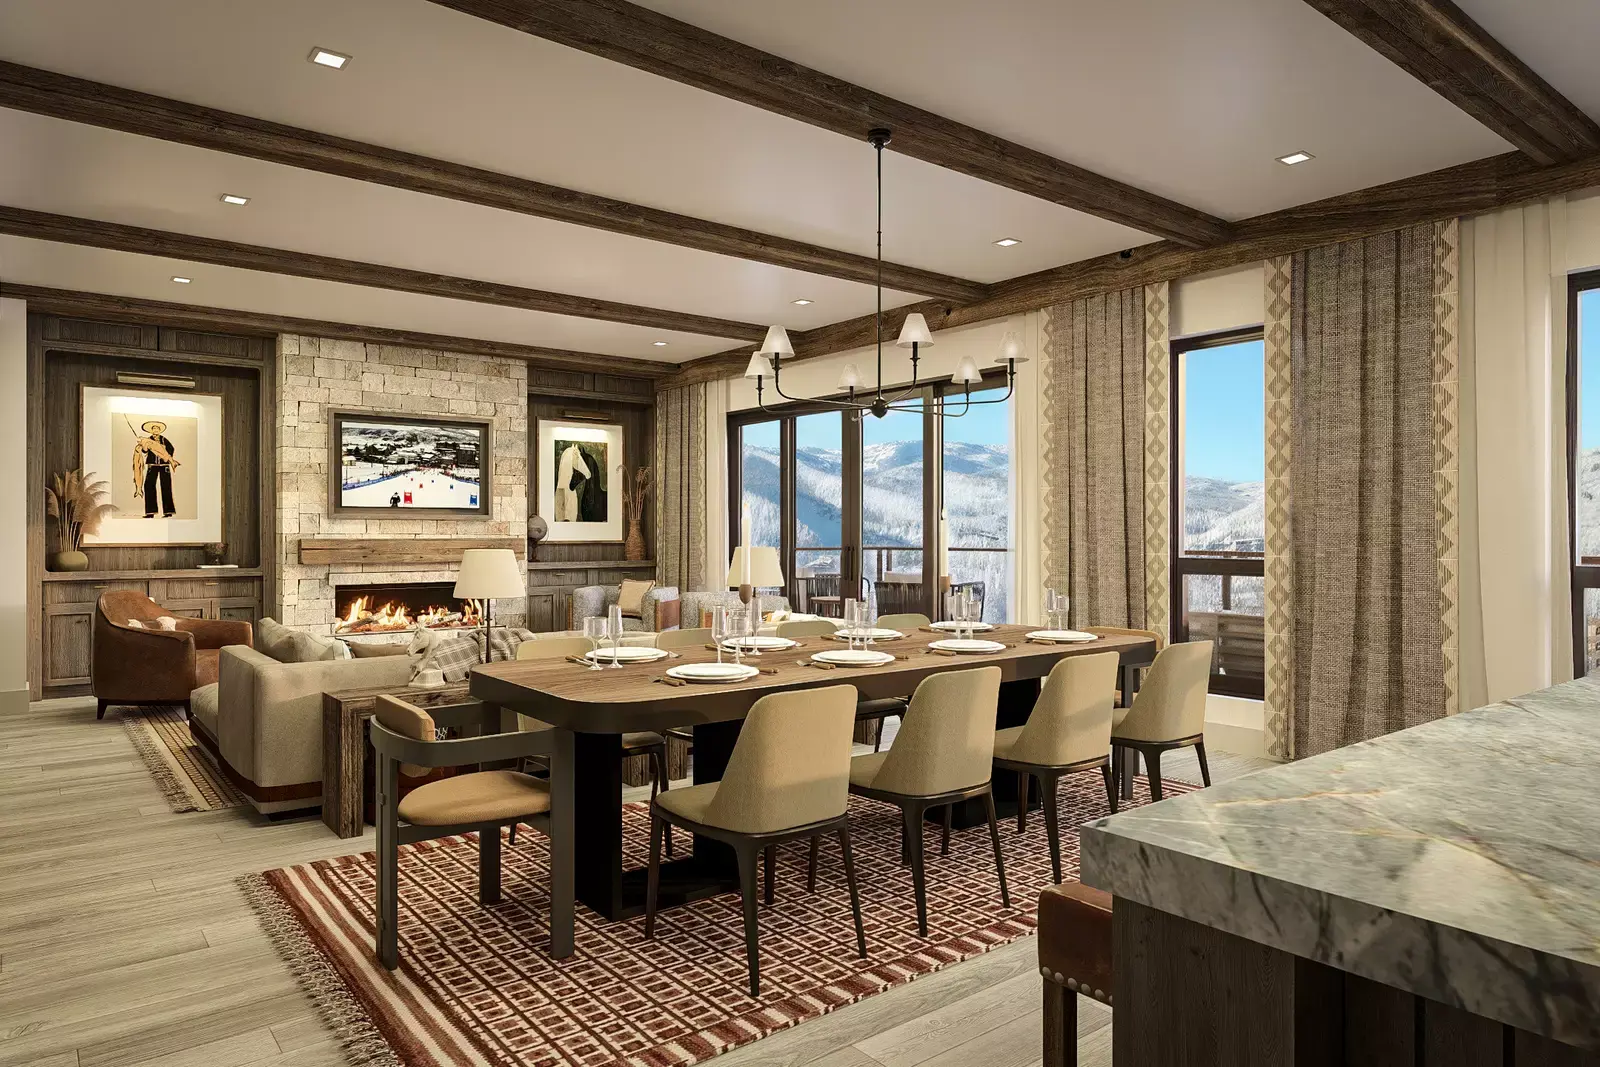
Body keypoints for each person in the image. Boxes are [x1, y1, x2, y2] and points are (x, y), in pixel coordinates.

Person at [132, 420, 180, 518]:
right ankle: (150, 512)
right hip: (152, 465)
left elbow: (171, 449)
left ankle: (168, 512)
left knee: (166, 487)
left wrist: (165, 456)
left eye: (157, 429)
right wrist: (145, 448)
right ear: (151, 430)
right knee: (148, 486)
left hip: (164, 466)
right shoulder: (148, 440)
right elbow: (145, 453)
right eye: (153, 429)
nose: (155, 430)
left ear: (160, 430)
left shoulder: (164, 440)